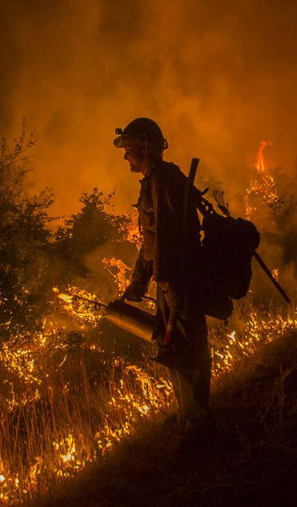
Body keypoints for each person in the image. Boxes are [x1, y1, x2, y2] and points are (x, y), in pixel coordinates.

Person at [112, 117, 213, 443]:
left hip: (177, 277)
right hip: (168, 278)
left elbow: (167, 235)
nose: (126, 156)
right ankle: (187, 412)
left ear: (144, 146)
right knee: (172, 346)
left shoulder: (161, 181)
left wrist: (164, 282)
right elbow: (153, 238)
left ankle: (198, 420)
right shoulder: (155, 179)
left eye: (128, 149)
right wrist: (140, 281)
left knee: (187, 345)